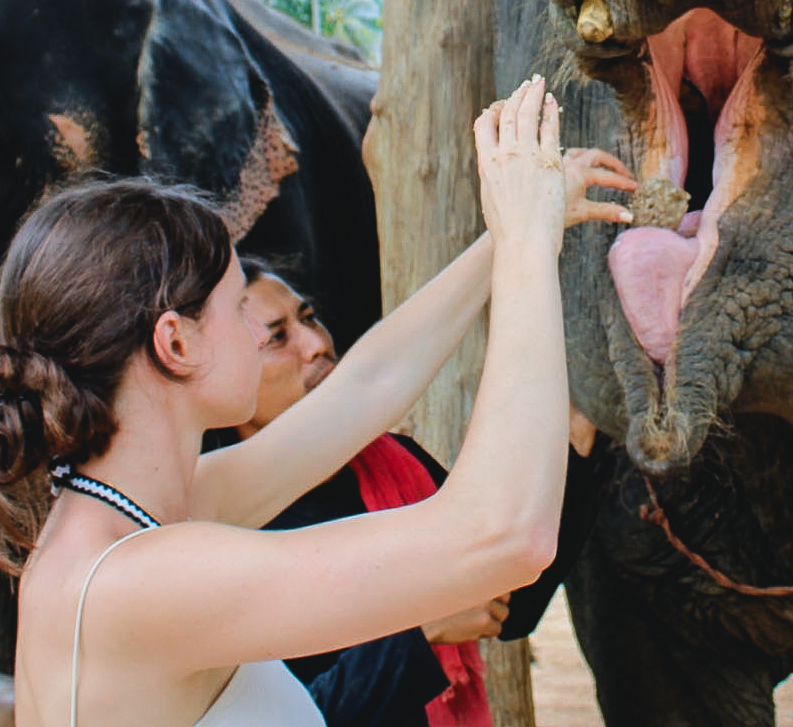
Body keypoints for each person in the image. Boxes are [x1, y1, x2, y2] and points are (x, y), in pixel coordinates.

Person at [0, 77, 635, 727]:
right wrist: (526, 246)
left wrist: (506, 234)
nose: (268, 342)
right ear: (176, 343)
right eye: (236, 307)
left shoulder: (133, 519)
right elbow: (504, 535)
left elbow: (366, 384)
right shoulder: (140, 583)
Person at [238, 267, 609, 727]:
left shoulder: (395, 464)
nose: (316, 344)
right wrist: (422, 627)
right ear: (226, 373)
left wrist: (574, 443)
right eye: (277, 338)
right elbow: (304, 715)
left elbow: (508, 603)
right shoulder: (225, 528)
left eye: (309, 318)